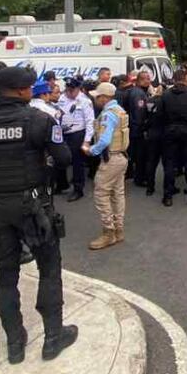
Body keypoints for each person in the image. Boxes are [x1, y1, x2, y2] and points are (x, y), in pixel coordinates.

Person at [0, 67, 78, 364]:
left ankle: (15, 342)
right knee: (48, 269)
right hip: (32, 207)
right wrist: (42, 169)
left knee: (4, 276)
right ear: (23, 91)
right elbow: (64, 159)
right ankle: (53, 338)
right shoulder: (40, 120)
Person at [83, 82, 130, 250]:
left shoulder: (108, 115)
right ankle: (118, 230)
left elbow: (104, 140)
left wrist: (91, 151)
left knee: (101, 194)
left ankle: (108, 233)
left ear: (104, 98)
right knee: (118, 194)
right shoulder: (119, 111)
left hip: (111, 159)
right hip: (121, 157)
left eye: (97, 96)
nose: (95, 99)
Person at [156, 69, 187, 207]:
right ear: (185, 79)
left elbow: (158, 115)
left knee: (169, 163)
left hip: (170, 132)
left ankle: (168, 196)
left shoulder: (165, 95)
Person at [56, 77, 94, 203]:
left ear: (78, 89)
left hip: (78, 134)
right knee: (60, 159)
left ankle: (78, 189)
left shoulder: (85, 101)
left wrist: (87, 141)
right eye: (67, 89)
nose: (69, 92)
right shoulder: (62, 98)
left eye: (72, 90)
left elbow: (90, 122)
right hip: (62, 133)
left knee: (77, 163)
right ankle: (62, 184)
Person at [125, 71, 150, 186]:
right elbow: (139, 113)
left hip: (134, 128)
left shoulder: (137, 91)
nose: (149, 81)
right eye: (147, 79)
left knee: (138, 155)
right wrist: (142, 129)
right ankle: (140, 178)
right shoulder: (138, 94)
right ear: (141, 80)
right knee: (141, 156)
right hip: (137, 130)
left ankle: (138, 176)